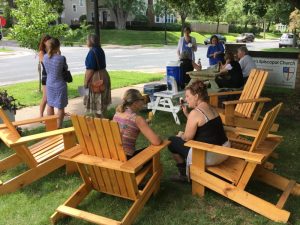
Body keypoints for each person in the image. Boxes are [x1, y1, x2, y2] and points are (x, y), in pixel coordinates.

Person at [168, 80, 229, 182]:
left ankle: (183, 174)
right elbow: (204, 127)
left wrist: (180, 136)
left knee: (171, 141)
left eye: (188, 96)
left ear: (196, 96)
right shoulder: (212, 108)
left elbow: (187, 138)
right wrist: (187, 114)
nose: (186, 99)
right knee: (179, 138)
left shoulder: (196, 113)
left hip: (209, 156)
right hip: (224, 150)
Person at [113, 89, 162, 159]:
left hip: (114, 156)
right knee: (153, 156)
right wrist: (159, 137)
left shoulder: (117, 113)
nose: (143, 101)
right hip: (127, 160)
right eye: (142, 99)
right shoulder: (137, 119)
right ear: (135, 103)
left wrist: (143, 124)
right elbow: (156, 141)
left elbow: (127, 126)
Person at [84, 34, 111, 118]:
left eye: (87, 40)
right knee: (102, 100)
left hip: (96, 77)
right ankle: (104, 120)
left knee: (97, 100)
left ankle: (100, 122)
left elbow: (90, 69)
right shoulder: (100, 49)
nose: (86, 41)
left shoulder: (92, 52)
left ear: (91, 41)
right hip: (104, 75)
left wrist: (85, 82)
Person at [43, 38, 68, 128]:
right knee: (60, 107)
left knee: (50, 104)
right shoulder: (61, 58)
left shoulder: (45, 57)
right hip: (59, 84)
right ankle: (59, 126)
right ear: (58, 47)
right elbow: (65, 69)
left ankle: (51, 126)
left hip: (49, 83)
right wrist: (59, 54)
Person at [38, 34, 51, 118]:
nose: (48, 42)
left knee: (51, 98)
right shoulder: (42, 52)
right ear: (43, 42)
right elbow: (44, 63)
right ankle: (41, 116)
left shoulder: (52, 50)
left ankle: (50, 115)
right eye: (47, 41)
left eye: (50, 40)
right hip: (46, 76)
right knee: (45, 97)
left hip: (52, 76)